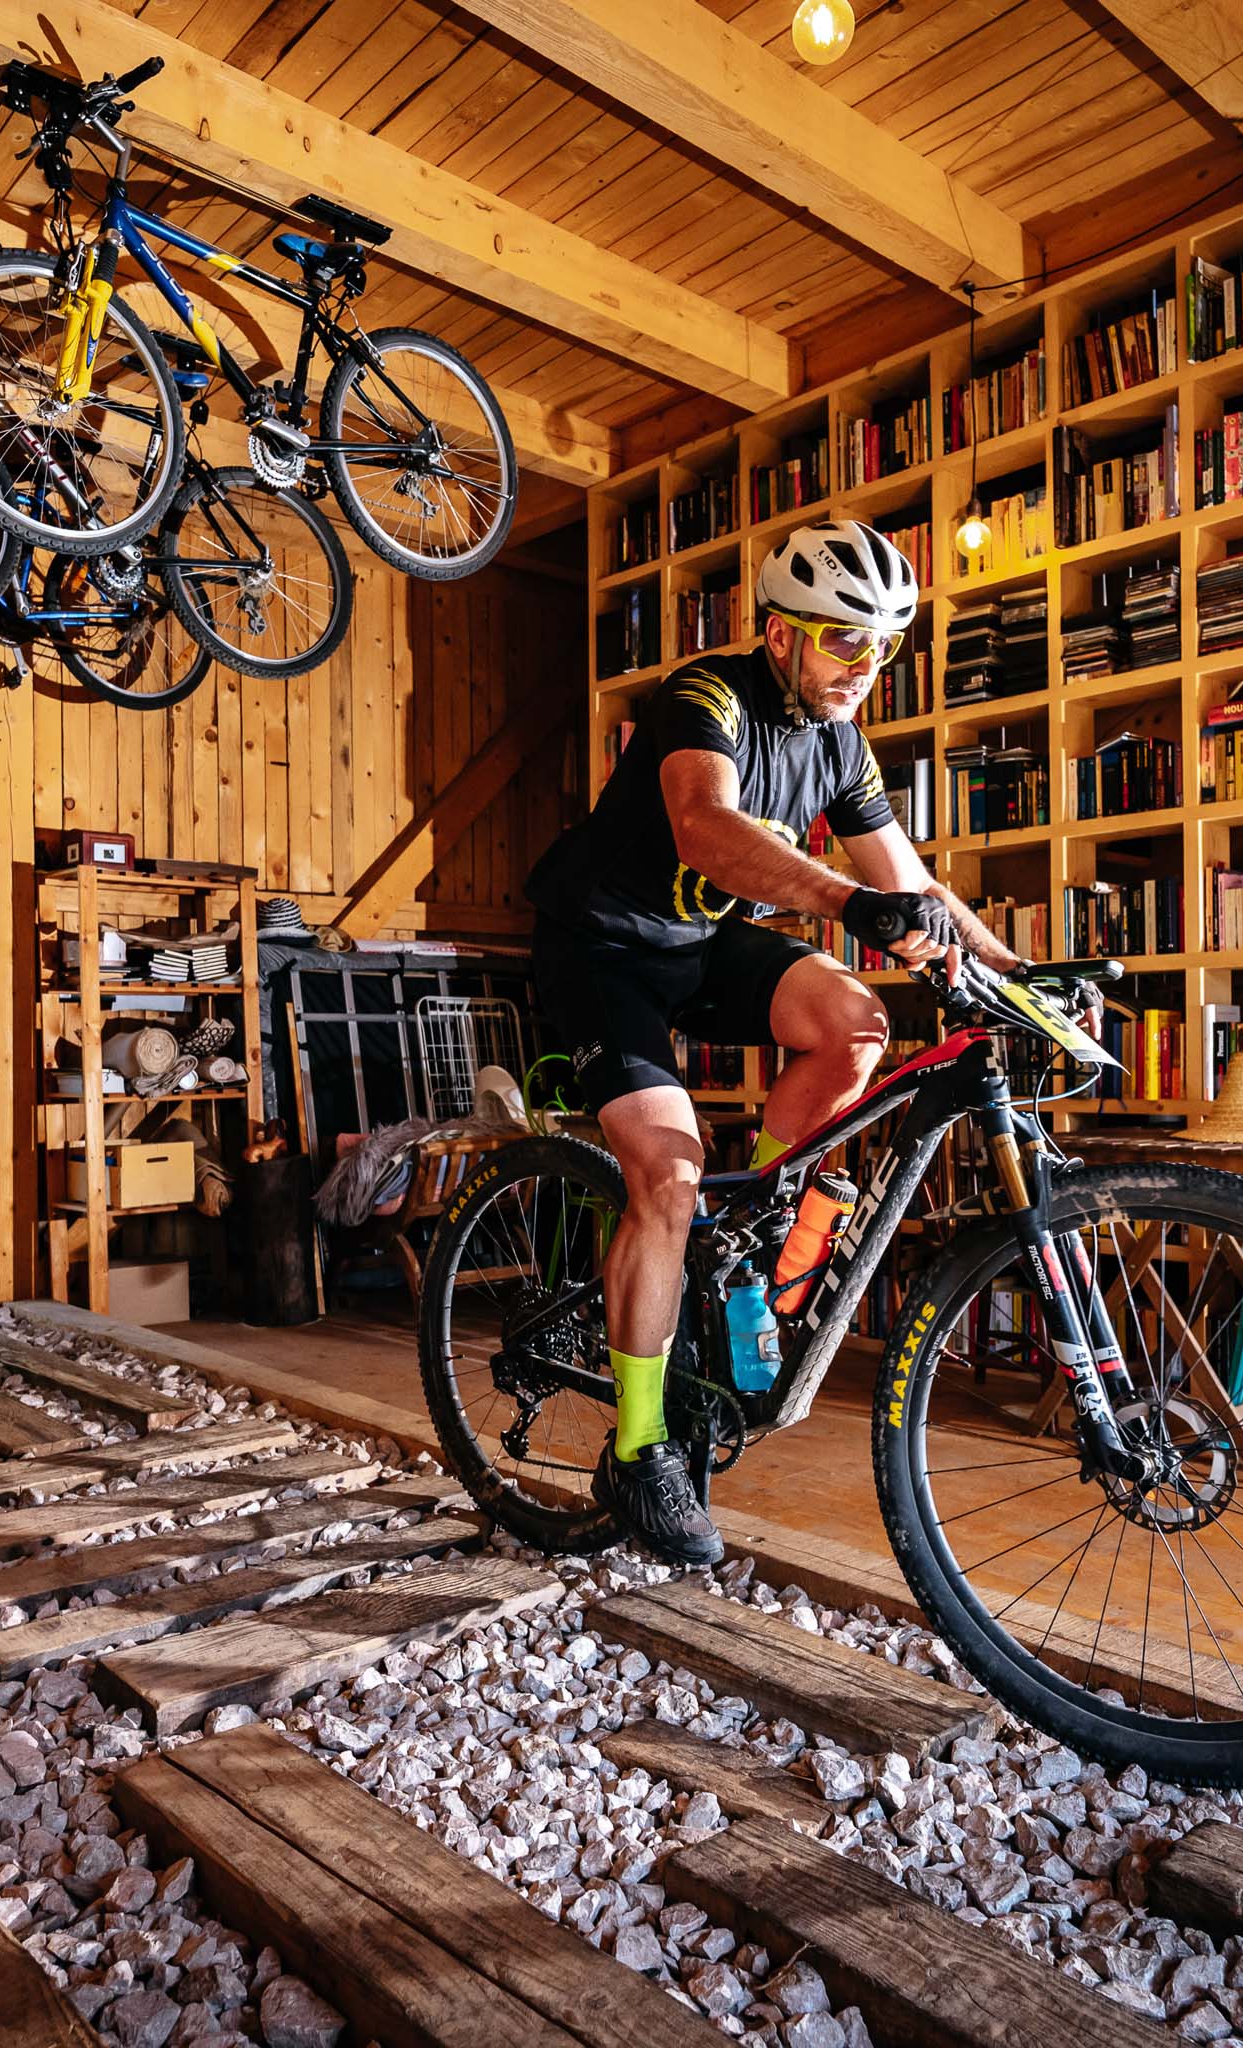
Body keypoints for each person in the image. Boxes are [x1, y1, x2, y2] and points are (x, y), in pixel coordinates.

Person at [524, 518, 1020, 1565]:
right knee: (667, 1177)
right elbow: (705, 826)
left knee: (857, 1022)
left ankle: (755, 1220)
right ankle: (640, 1443)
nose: (865, 666)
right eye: (844, 639)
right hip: (601, 947)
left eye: (883, 645)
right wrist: (847, 903)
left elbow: (909, 881)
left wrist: (1013, 972)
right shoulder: (708, 695)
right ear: (782, 632)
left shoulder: (840, 743)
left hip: (701, 943)